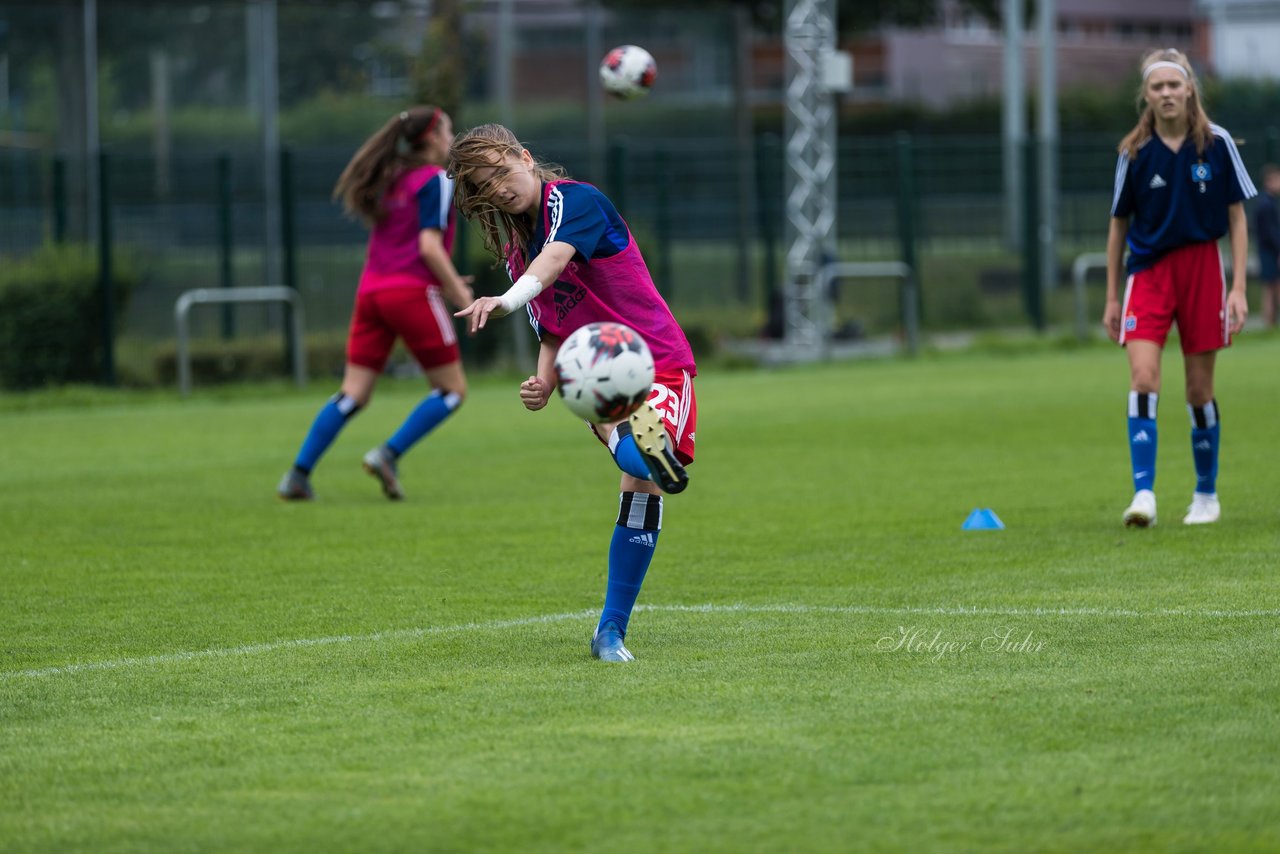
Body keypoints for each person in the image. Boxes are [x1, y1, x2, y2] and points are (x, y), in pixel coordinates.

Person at [448, 123, 696, 663]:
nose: (499, 186)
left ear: (526, 157)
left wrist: (504, 302)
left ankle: (610, 632)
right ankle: (609, 636)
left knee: (642, 485)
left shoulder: (574, 201)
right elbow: (554, 331)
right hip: (591, 372)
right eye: (484, 185)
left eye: (501, 170)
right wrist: (544, 381)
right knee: (643, 485)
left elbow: (555, 261)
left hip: (655, 359)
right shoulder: (518, 259)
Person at [277, 106, 474, 501]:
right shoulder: (436, 179)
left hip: (371, 293)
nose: (451, 139)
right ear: (433, 137)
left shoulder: (391, 179)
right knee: (452, 391)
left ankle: (297, 475)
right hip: (413, 292)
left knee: (352, 394)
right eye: (448, 131)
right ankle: (388, 454)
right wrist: (458, 291)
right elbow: (428, 247)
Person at [1103, 48, 1255, 527]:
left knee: (1197, 390)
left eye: (1175, 85)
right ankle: (1143, 494)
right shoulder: (1133, 153)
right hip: (1147, 273)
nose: (1167, 94)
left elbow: (1237, 217)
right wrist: (1111, 296)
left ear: (1190, 89)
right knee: (1144, 377)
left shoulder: (1217, 143)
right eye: (1157, 87)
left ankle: (1206, 495)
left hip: (1203, 271)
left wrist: (1238, 288)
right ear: (1145, 96)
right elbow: (1117, 228)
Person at [1253, 164, 1280, 327]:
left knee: (1270, 287)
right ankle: (1269, 322)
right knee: (1272, 287)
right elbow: (1271, 233)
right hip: (1269, 251)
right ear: (1269, 181)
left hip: (1266, 251)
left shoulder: (1267, 202)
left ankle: (1270, 322)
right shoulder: (1266, 204)